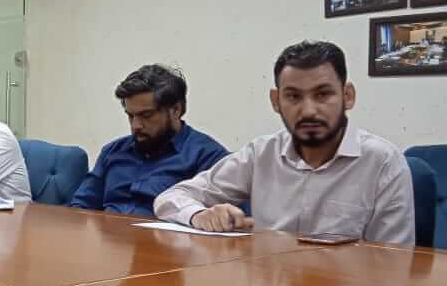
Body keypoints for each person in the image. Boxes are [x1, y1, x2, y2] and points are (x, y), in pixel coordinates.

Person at [154, 41, 414, 244]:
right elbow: (171, 197)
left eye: (323, 94)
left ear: (348, 96)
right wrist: (200, 215)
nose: (308, 110)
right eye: (293, 97)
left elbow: (394, 260)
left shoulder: (382, 162)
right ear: (276, 101)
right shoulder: (261, 154)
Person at [68, 64, 228, 216]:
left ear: (176, 110)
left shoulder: (208, 156)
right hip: (108, 233)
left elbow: (223, 219)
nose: (136, 125)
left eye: (146, 115)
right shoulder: (112, 151)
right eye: (130, 116)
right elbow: (80, 208)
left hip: (163, 235)